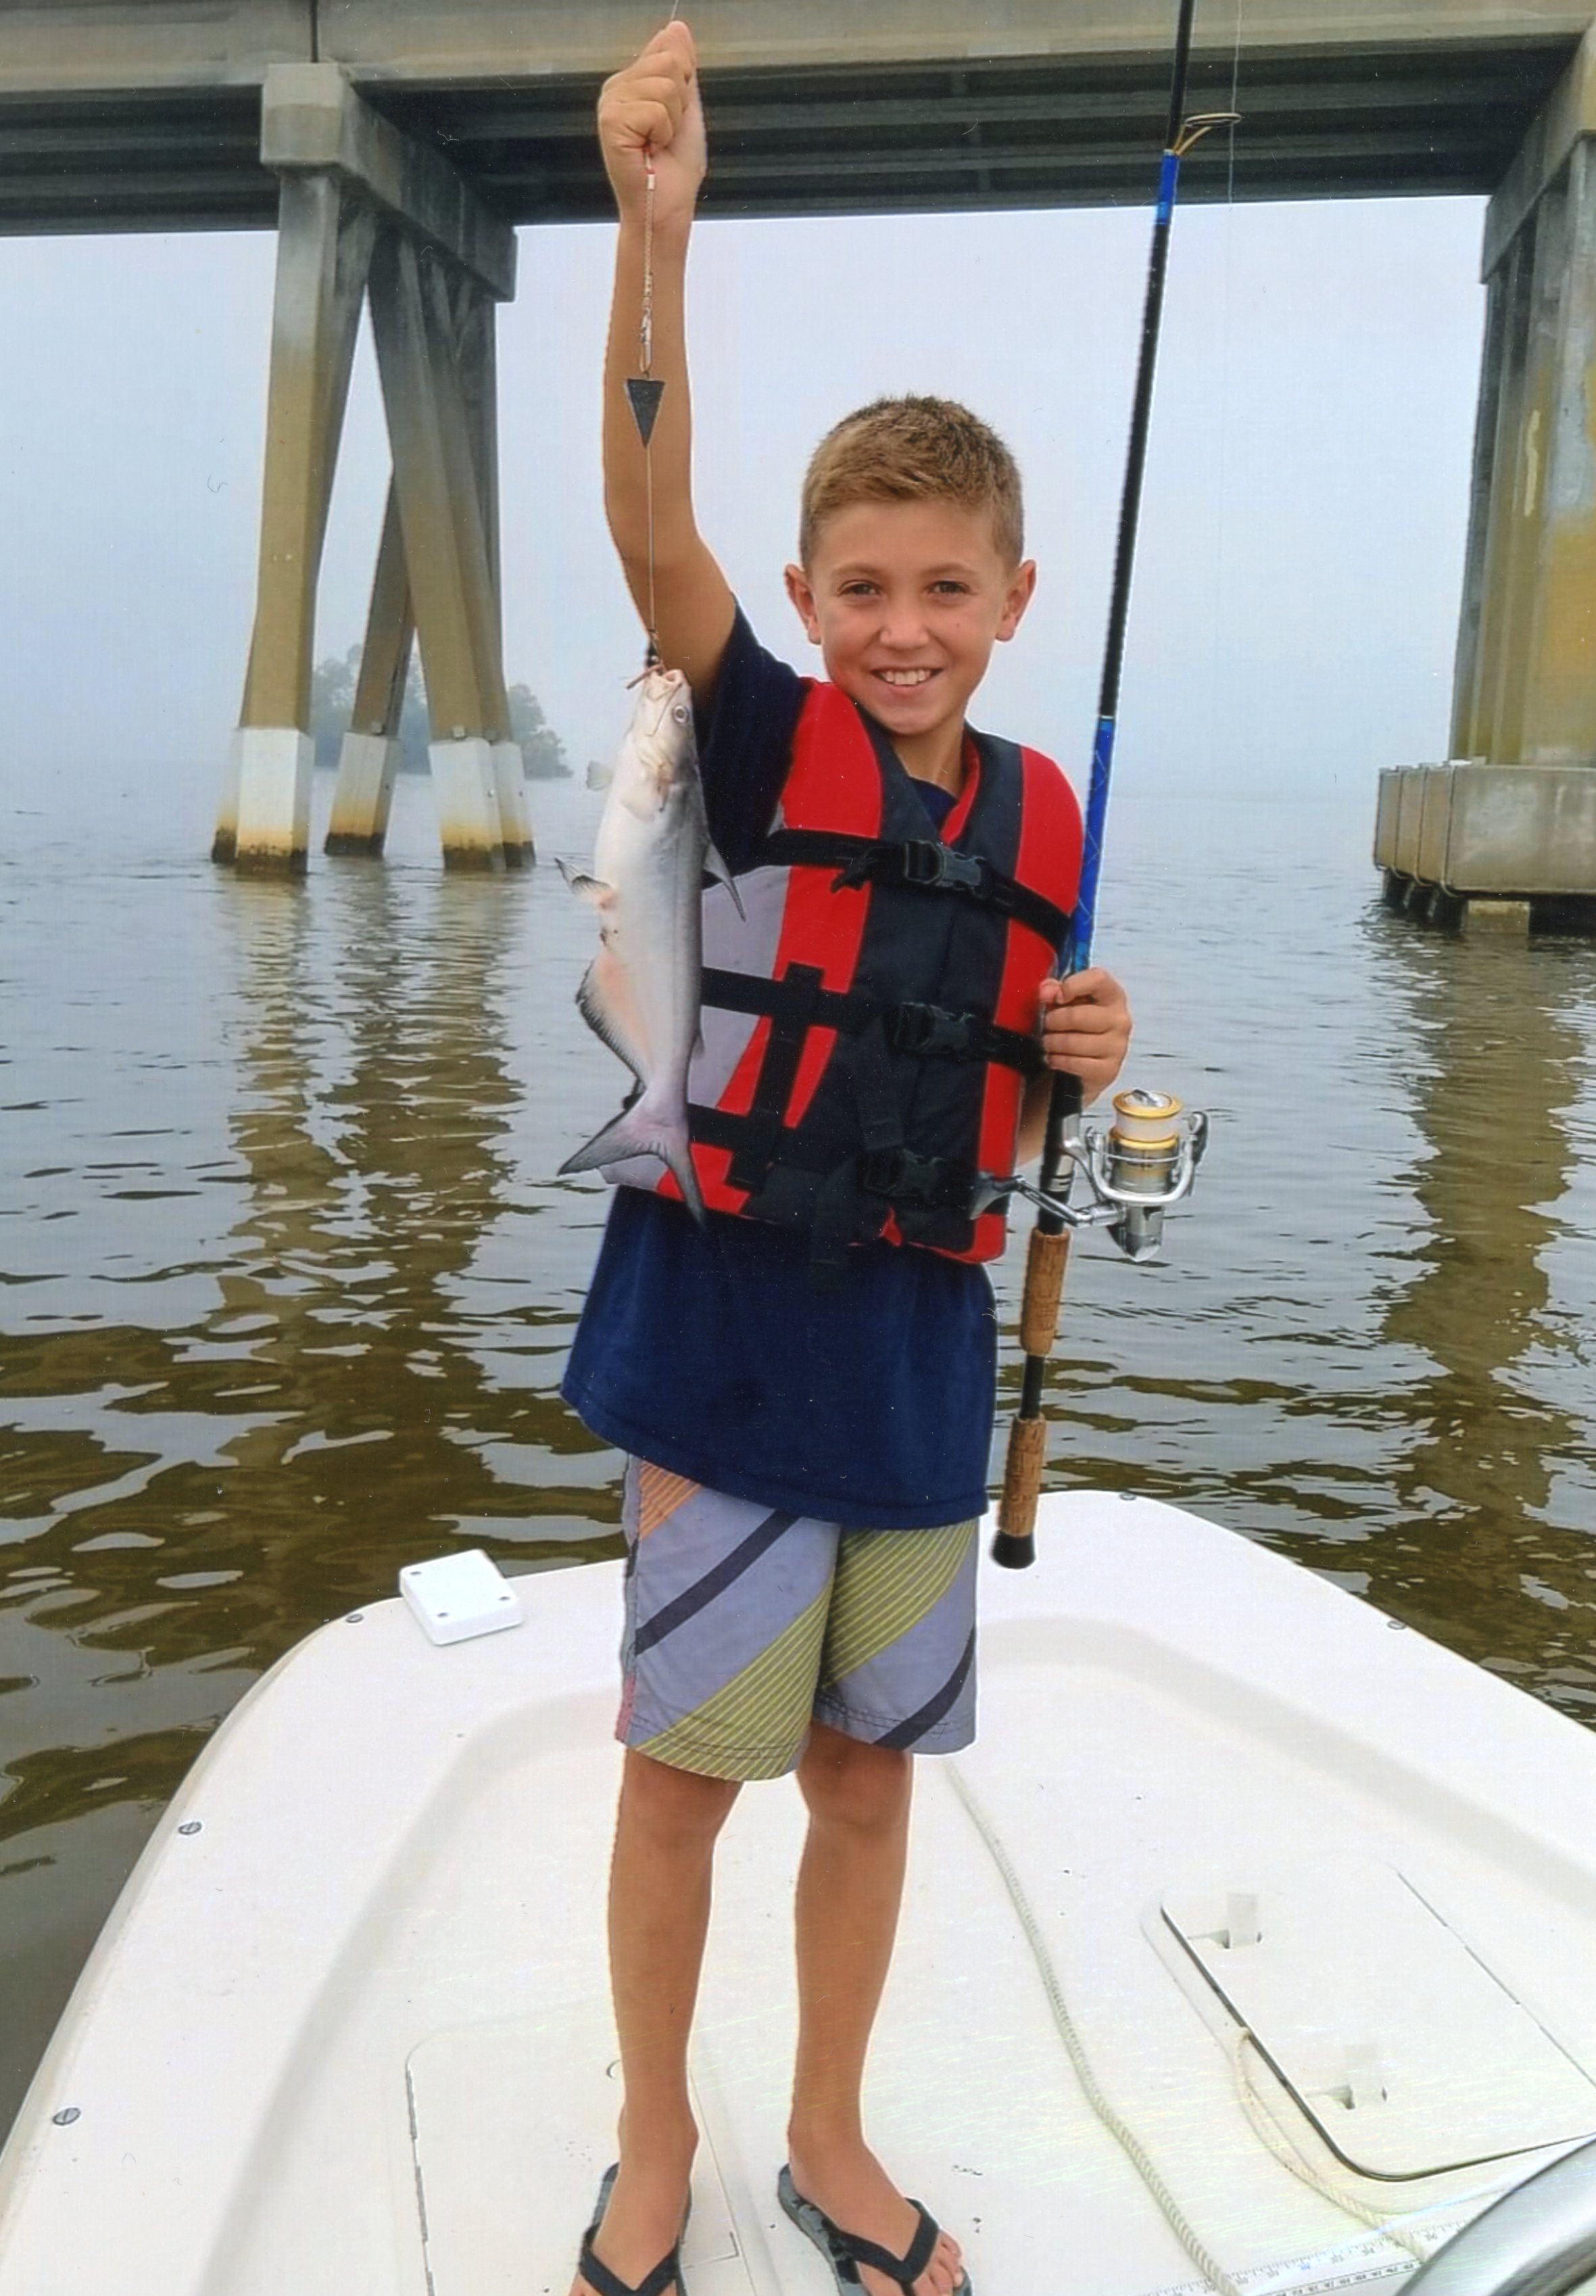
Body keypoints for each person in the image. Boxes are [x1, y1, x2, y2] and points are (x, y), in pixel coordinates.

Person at [563, 22, 1133, 2296]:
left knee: (871, 1777)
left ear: (1012, 600)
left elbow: (1005, 1095)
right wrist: (655, 236)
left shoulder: (1043, 819)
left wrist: (1085, 1051)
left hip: (911, 1361)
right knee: (682, 1768)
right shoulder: (755, 725)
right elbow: (647, 520)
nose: (903, 626)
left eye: (945, 589)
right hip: (718, 1343)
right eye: (863, 586)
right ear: (804, 601)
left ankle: (827, 2129)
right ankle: (650, 2135)